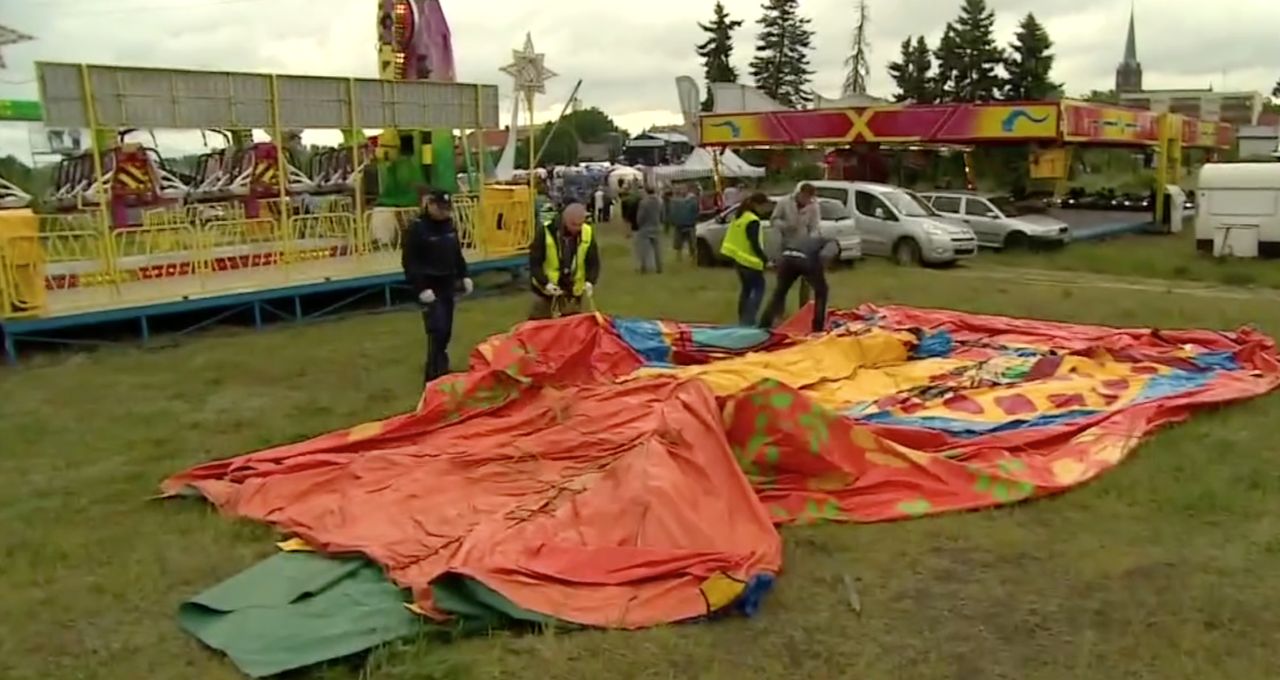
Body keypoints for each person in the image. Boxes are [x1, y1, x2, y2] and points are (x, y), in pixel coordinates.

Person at [401, 190, 473, 384]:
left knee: (447, 329)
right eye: (440, 209)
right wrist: (420, 288)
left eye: (447, 209)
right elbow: (410, 261)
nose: (444, 213)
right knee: (437, 329)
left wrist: (464, 274)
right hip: (429, 286)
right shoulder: (417, 228)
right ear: (430, 205)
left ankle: (442, 367)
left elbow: (456, 253)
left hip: (447, 282)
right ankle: (433, 374)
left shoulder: (449, 225)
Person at [528, 202, 601, 319]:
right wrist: (545, 283)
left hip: (573, 290)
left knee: (572, 326)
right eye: (574, 225)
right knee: (539, 325)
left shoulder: (587, 232)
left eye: (580, 225)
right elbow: (534, 263)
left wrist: (590, 281)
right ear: (565, 219)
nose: (577, 229)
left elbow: (593, 261)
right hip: (546, 290)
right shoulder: (545, 231)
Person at [758, 234, 837, 333]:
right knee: (822, 292)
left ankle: (764, 324)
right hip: (805, 259)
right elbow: (826, 255)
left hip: (786, 257)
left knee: (780, 292)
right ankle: (818, 328)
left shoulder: (809, 239)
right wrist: (819, 269)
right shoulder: (833, 242)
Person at [720, 192, 770, 326]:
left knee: (746, 290)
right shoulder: (753, 220)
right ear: (757, 205)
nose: (766, 209)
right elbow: (754, 243)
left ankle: (742, 319)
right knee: (758, 290)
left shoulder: (740, 216)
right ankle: (749, 321)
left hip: (739, 260)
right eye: (764, 206)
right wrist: (765, 259)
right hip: (750, 261)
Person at [770, 183, 821, 309]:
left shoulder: (814, 206)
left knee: (806, 283)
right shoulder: (784, 202)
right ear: (800, 193)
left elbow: (815, 226)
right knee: (782, 283)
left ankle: (803, 310)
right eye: (806, 197)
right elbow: (774, 220)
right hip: (786, 246)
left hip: (803, 248)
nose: (808, 200)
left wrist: (811, 241)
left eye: (810, 198)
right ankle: (777, 311)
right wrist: (786, 225)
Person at [634, 186, 664, 274]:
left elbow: (640, 216)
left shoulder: (643, 202)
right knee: (657, 249)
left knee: (644, 249)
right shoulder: (659, 201)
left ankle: (644, 267)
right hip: (656, 226)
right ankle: (659, 267)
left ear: (646, 192)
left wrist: (639, 224)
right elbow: (662, 214)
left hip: (645, 228)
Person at [668, 185, 701, 262]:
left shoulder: (676, 201)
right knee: (689, 243)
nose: (681, 191)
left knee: (684, 244)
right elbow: (697, 211)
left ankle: (689, 258)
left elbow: (672, 212)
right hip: (688, 224)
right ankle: (690, 258)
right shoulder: (692, 200)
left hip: (683, 225)